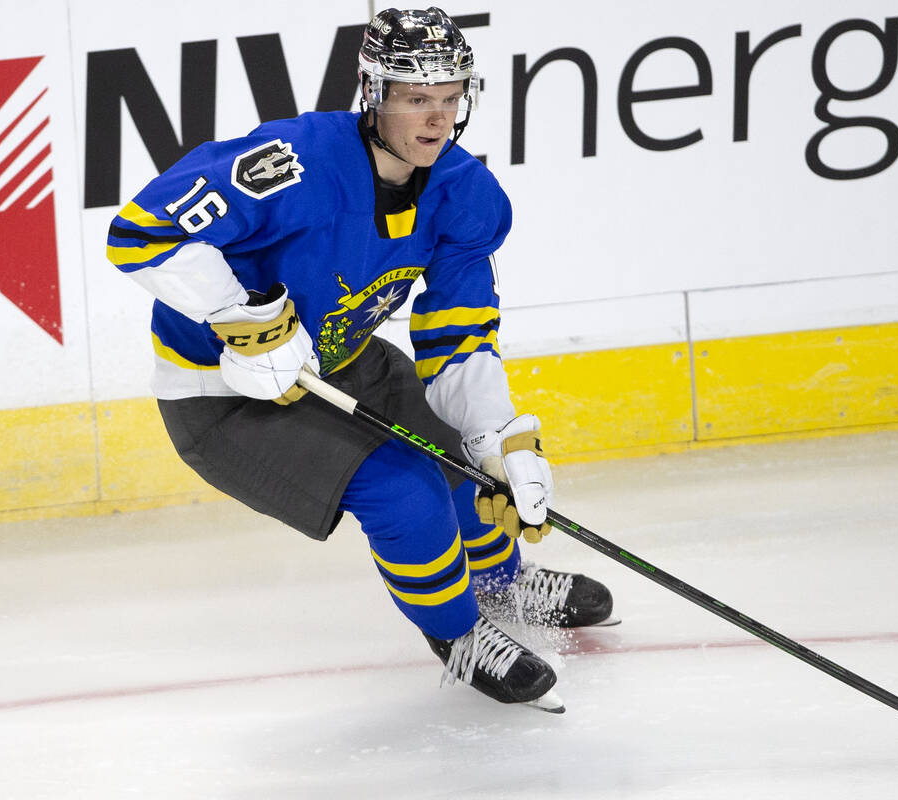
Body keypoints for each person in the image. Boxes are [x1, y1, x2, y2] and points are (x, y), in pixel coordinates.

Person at [105, 7, 614, 712]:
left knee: (458, 455)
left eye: (448, 97)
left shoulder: (464, 192)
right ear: (374, 95)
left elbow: (457, 335)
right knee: (405, 490)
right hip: (222, 395)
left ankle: (500, 580)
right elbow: (138, 231)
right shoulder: (292, 165)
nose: (436, 119)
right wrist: (241, 318)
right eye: (415, 98)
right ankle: (460, 635)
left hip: (338, 357)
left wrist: (498, 436)